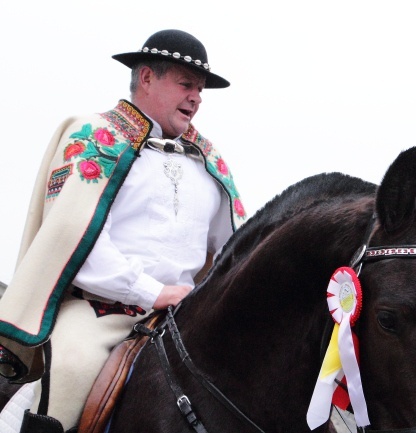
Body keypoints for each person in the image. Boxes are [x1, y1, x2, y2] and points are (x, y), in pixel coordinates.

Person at [0, 29, 247, 432]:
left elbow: (233, 249)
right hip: (102, 310)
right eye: (187, 84)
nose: (197, 98)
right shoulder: (96, 136)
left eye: (200, 90)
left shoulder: (208, 160)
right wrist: (154, 292)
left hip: (186, 317)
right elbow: (79, 239)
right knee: (70, 366)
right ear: (147, 78)